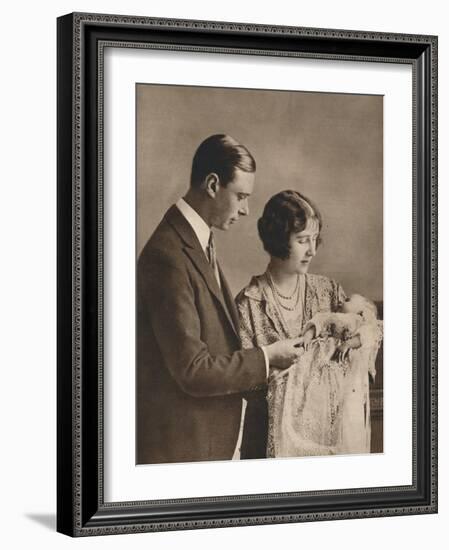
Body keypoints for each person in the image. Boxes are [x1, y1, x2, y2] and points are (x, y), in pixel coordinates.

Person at [137, 135, 302, 465]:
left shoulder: (196, 241)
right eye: (240, 196)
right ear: (213, 184)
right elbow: (193, 370)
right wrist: (266, 358)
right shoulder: (166, 255)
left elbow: (215, 345)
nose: (246, 209)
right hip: (181, 453)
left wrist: (266, 368)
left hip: (206, 444)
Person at [236, 190, 382, 458]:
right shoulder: (250, 304)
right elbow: (243, 379)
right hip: (268, 443)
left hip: (329, 440)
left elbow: (367, 325)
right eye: (303, 240)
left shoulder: (328, 291)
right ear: (279, 239)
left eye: (315, 240)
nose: (312, 250)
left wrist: (359, 338)